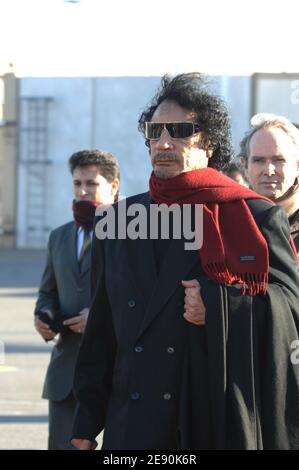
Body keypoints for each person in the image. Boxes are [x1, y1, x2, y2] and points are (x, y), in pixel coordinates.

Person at [71, 74, 299, 450]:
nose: (163, 142)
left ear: (207, 143)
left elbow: (290, 310)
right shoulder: (117, 221)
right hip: (132, 427)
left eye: (178, 130)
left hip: (208, 419)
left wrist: (220, 303)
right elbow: (103, 328)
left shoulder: (255, 216)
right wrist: (85, 420)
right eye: (155, 131)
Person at [34, 149, 120, 450]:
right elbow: (47, 292)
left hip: (118, 374)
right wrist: (43, 316)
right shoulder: (58, 237)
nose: (83, 191)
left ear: (113, 186)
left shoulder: (135, 235)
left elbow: (144, 299)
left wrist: (97, 317)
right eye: (77, 183)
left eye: (92, 184)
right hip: (66, 374)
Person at [239, 113, 299, 251]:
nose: (269, 170)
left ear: (297, 166)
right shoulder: (228, 221)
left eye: (279, 160)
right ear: (245, 166)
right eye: (258, 160)